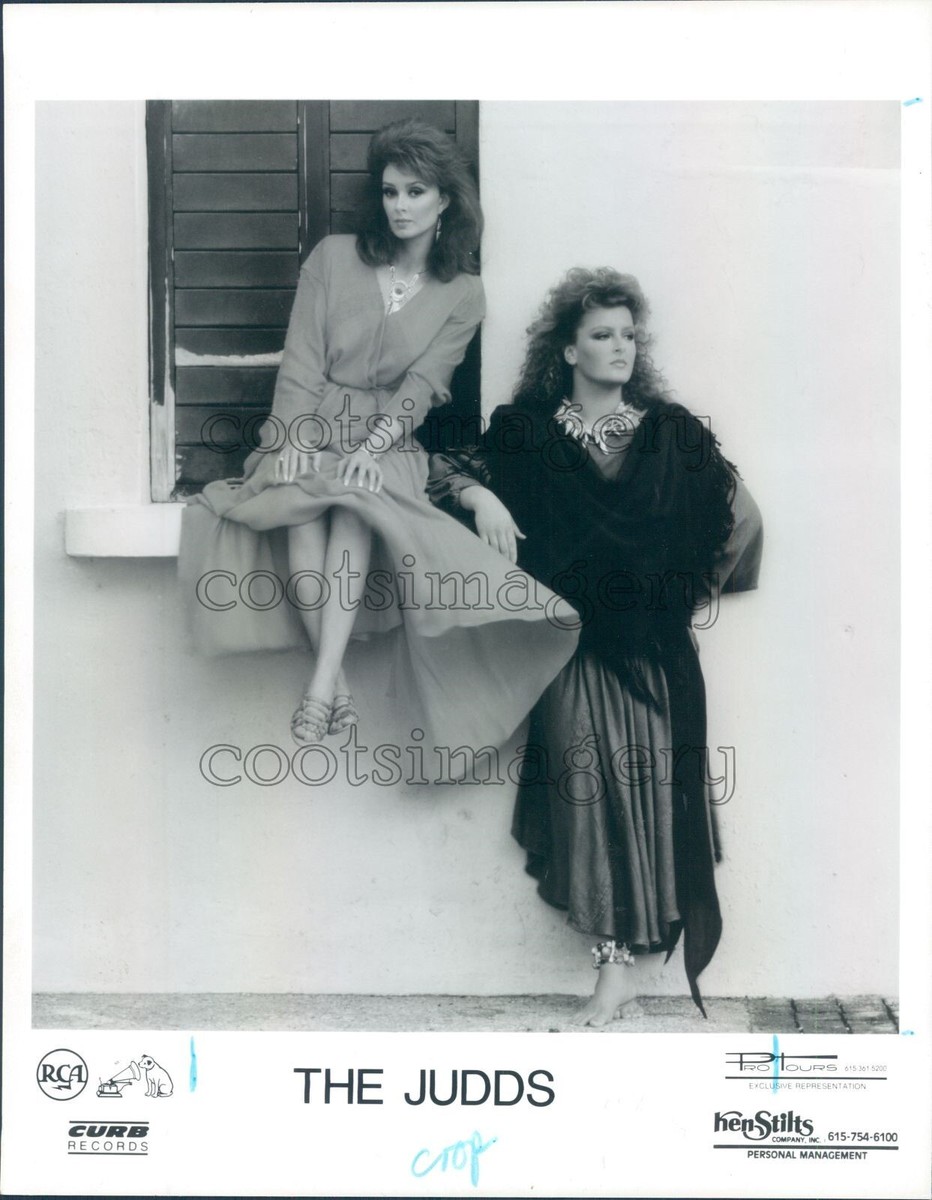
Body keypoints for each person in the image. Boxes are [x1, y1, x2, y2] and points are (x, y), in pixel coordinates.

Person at [428, 268, 763, 1023]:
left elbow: (739, 521)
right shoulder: (525, 434)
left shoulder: (670, 433)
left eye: (627, 335)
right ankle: (613, 972)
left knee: (648, 804)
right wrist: (481, 493)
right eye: (602, 335)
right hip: (571, 653)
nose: (620, 347)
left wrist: (674, 593)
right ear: (569, 349)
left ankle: (623, 979)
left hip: (655, 656)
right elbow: (438, 474)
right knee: (589, 807)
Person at [179, 121, 578, 752]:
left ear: (446, 199)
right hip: (307, 425)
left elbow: (424, 384)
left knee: (356, 509)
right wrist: (294, 439)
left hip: (387, 442)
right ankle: (331, 685)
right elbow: (303, 358)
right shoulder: (334, 257)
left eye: (416, 192)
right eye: (391, 192)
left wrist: (371, 447)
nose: (400, 206)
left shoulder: (464, 293)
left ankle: (318, 689)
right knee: (302, 509)